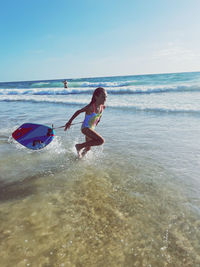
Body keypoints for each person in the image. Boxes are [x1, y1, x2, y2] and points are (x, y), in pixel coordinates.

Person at [64, 87, 107, 158]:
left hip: (91, 128)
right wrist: (69, 122)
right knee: (101, 141)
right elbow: (78, 111)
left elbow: (100, 114)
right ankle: (79, 146)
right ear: (96, 97)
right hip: (85, 128)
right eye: (103, 97)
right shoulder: (91, 107)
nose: (105, 99)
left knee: (88, 149)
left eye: (106, 97)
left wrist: (99, 119)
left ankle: (79, 158)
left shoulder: (102, 107)